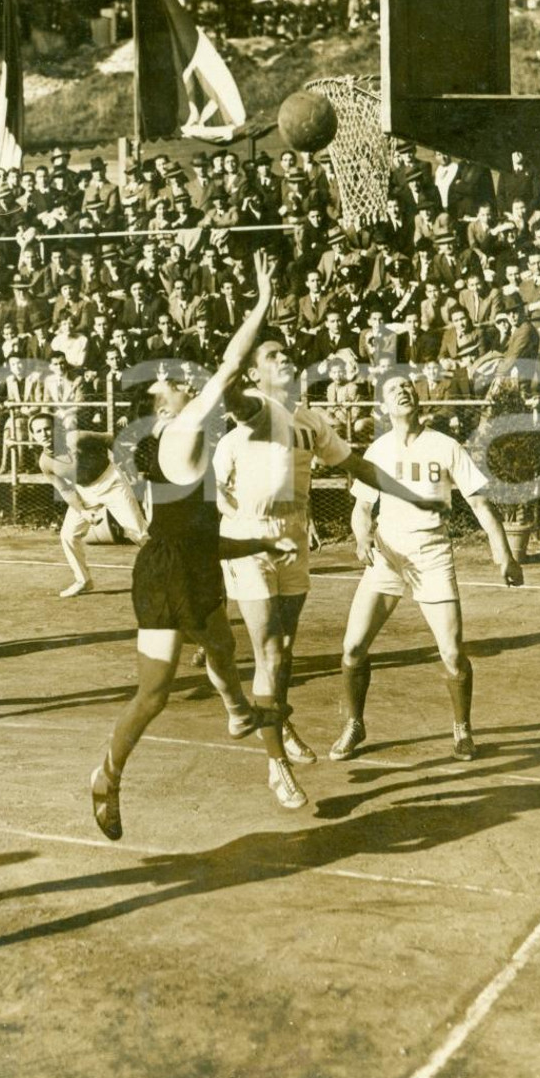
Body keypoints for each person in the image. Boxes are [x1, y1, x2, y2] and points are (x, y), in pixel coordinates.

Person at [90, 253, 302, 841]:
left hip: (192, 562)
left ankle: (236, 711)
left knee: (220, 641)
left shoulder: (187, 447)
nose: (183, 385)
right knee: (153, 694)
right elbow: (231, 364)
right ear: (162, 409)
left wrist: (259, 539)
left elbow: (204, 539)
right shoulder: (178, 433)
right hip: (165, 574)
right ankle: (107, 775)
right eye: (172, 386)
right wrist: (260, 304)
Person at [212, 337, 449, 809]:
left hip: (293, 539)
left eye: (287, 351)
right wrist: (252, 322)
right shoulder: (254, 411)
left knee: (285, 649)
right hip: (248, 540)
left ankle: (278, 721)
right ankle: (276, 765)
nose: (286, 358)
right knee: (271, 652)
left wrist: (409, 494)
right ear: (256, 374)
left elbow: (358, 466)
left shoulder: (311, 421)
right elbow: (229, 398)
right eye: (273, 355)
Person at [330, 372, 523, 765]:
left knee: (452, 653)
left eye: (406, 387)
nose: (402, 391)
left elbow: (482, 505)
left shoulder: (445, 446)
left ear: (417, 399)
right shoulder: (378, 450)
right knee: (352, 647)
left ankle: (462, 729)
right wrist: (362, 535)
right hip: (387, 556)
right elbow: (362, 508)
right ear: (383, 407)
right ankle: (353, 723)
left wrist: (504, 554)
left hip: (431, 554)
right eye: (392, 390)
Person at [33, 412, 147, 598]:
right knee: (68, 535)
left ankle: (171, 572)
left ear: (56, 429)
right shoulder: (45, 463)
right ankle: (84, 580)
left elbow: (110, 439)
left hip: (111, 481)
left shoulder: (77, 437)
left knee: (138, 532)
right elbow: (66, 490)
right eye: (39, 431)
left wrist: (125, 462)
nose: (44, 434)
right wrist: (83, 511)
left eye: (47, 428)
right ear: (33, 436)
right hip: (85, 492)